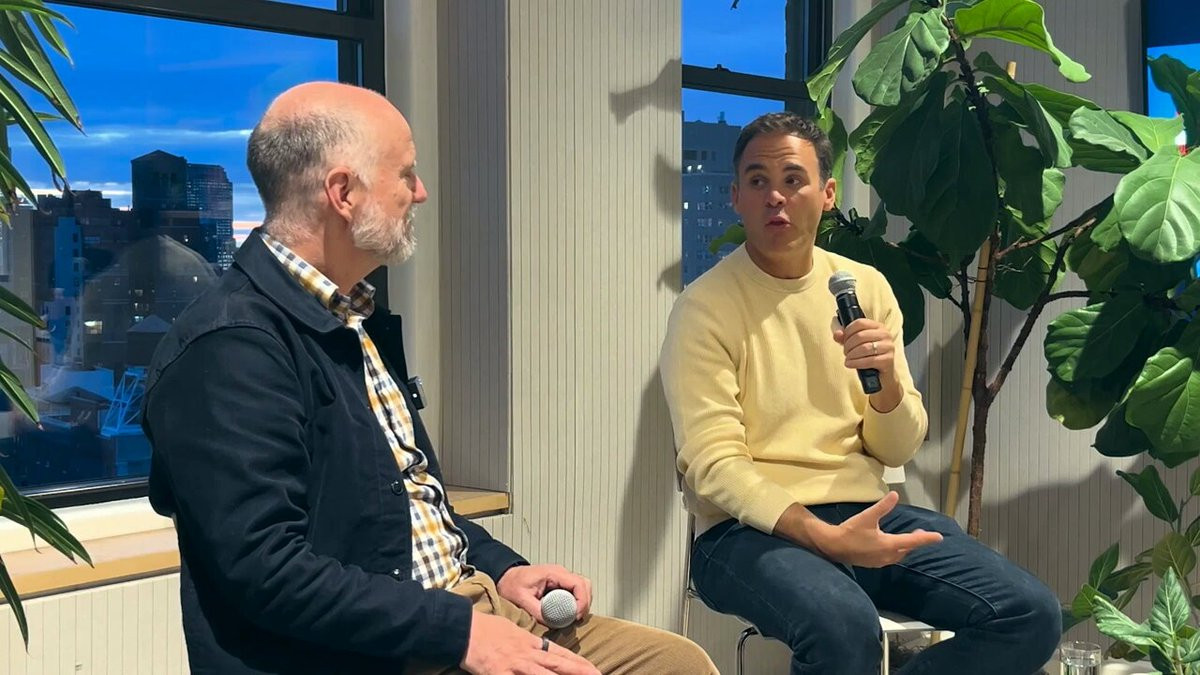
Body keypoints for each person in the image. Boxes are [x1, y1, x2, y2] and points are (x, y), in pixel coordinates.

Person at [142, 81, 716, 675]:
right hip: (370, 647)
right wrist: (460, 633)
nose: (420, 192)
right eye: (406, 174)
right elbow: (263, 569)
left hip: (456, 606)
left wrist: (502, 569)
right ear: (343, 193)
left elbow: (405, 505)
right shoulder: (230, 346)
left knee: (675, 664)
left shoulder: (352, 317)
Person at [660, 111, 1062, 675]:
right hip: (744, 531)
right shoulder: (704, 308)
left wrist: (888, 385)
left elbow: (897, 448)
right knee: (842, 627)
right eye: (757, 181)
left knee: (1029, 614)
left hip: (864, 513)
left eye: (793, 179)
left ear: (827, 195)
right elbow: (713, 465)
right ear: (736, 197)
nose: (775, 196)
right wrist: (824, 537)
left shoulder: (864, 288)